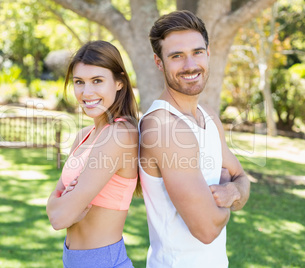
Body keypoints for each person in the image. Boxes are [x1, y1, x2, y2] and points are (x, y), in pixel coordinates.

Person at [138, 10, 251, 267]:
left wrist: (232, 189)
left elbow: (243, 180)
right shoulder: (164, 127)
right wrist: (231, 196)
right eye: (177, 56)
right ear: (159, 62)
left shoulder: (208, 117)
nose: (190, 65)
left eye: (197, 52)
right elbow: (207, 229)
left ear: (208, 54)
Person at [46, 40, 139, 268]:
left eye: (97, 81)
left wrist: (64, 204)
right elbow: (54, 208)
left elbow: (59, 219)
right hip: (73, 260)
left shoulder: (119, 134)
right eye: (79, 82)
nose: (87, 92)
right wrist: (62, 205)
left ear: (119, 82)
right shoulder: (84, 136)